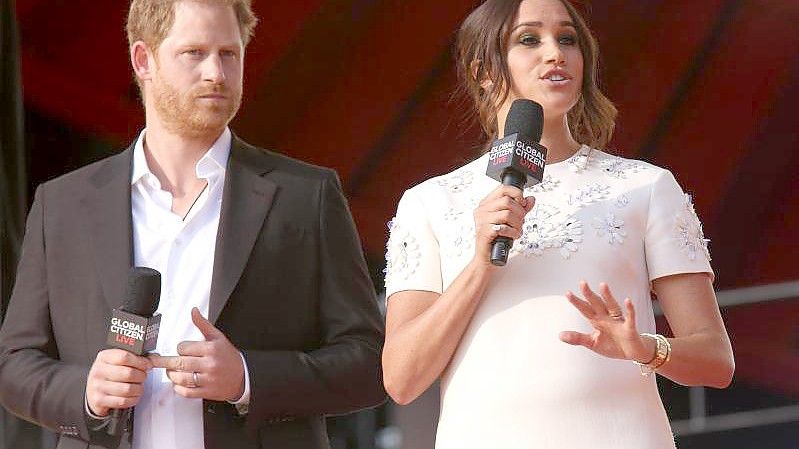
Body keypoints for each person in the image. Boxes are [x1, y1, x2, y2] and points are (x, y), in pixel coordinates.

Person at [0, 1, 385, 448]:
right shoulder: (63, 204)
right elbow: (14, 364)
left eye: (229, 54)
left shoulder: (306, 196)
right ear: (143, 60)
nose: (216, 74)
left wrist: (246, 376)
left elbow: (369, 361)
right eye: (194, 53)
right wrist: (87, 390)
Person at [382, 0, 734, 447]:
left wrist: (644, 347)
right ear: (482, 69)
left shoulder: (644, 187)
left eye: (567, 39)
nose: (555, 53)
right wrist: (479, 265)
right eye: (530, 39)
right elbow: (402, 379)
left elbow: (715, 360)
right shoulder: (429, 202)